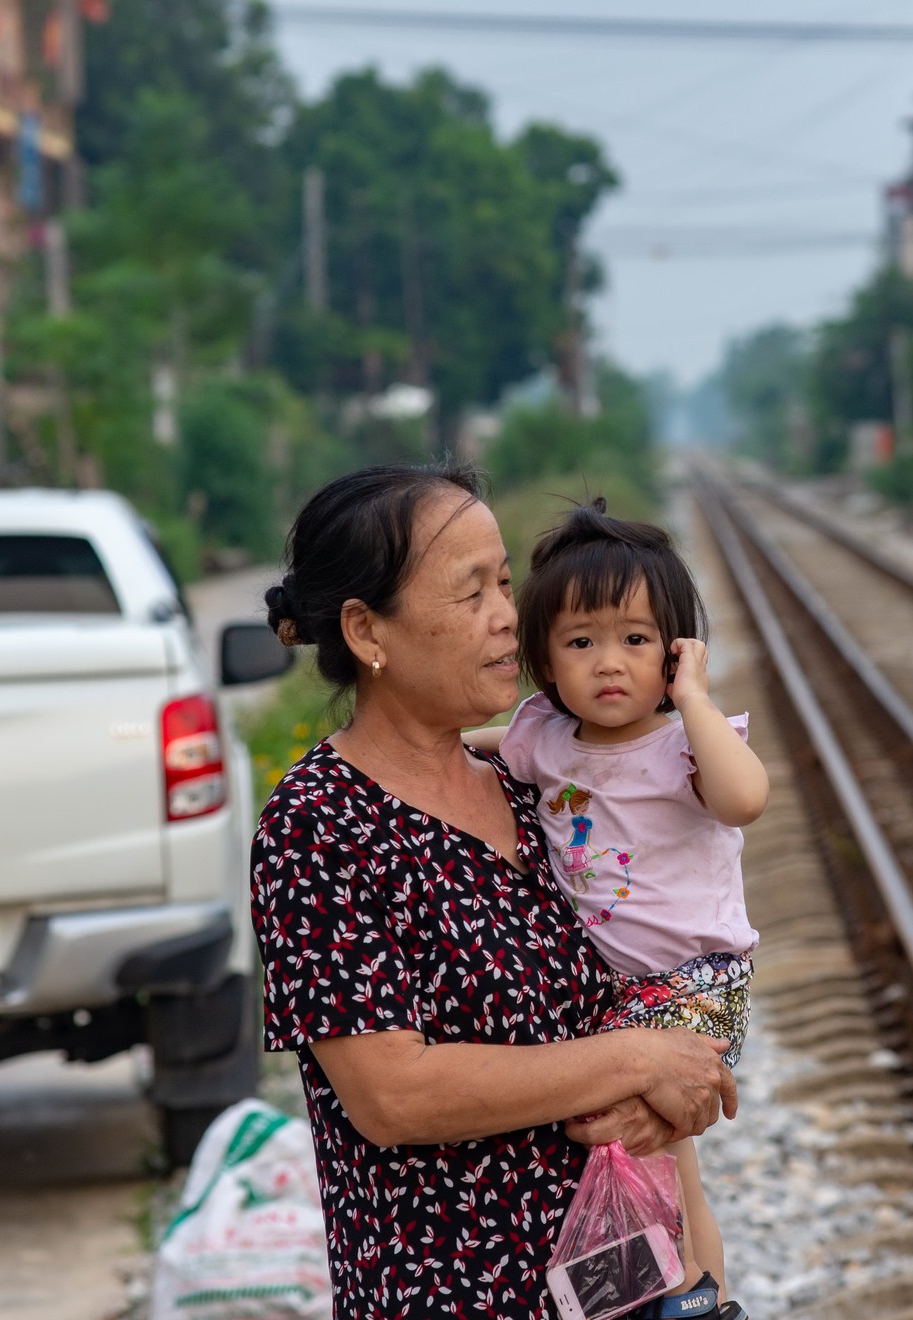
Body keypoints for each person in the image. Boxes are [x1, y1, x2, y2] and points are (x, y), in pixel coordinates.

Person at [253, 465, 736, 1320]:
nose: (510, 615)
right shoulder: (319, 824)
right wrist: (634, 1060)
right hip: (459, 1293)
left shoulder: (525, 788)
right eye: (472, 591)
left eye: (507, 583)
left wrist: (705, 1269)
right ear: (369, 631)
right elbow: (393, 1097)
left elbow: (619, 1009)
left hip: (626, 1285)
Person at [467, 501, 768, 1320]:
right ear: (545, 659)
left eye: (636, 640)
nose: (609, 664)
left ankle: (688, 1292)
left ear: (672, 653)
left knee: (652, 1135)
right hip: (613, 989)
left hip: (694, 978)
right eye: (580, 642)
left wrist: (696, 699)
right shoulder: (545, 737)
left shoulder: (686, 745)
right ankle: (699, 1293)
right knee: (673, 1154)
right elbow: (491, 747)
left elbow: (746, 799)